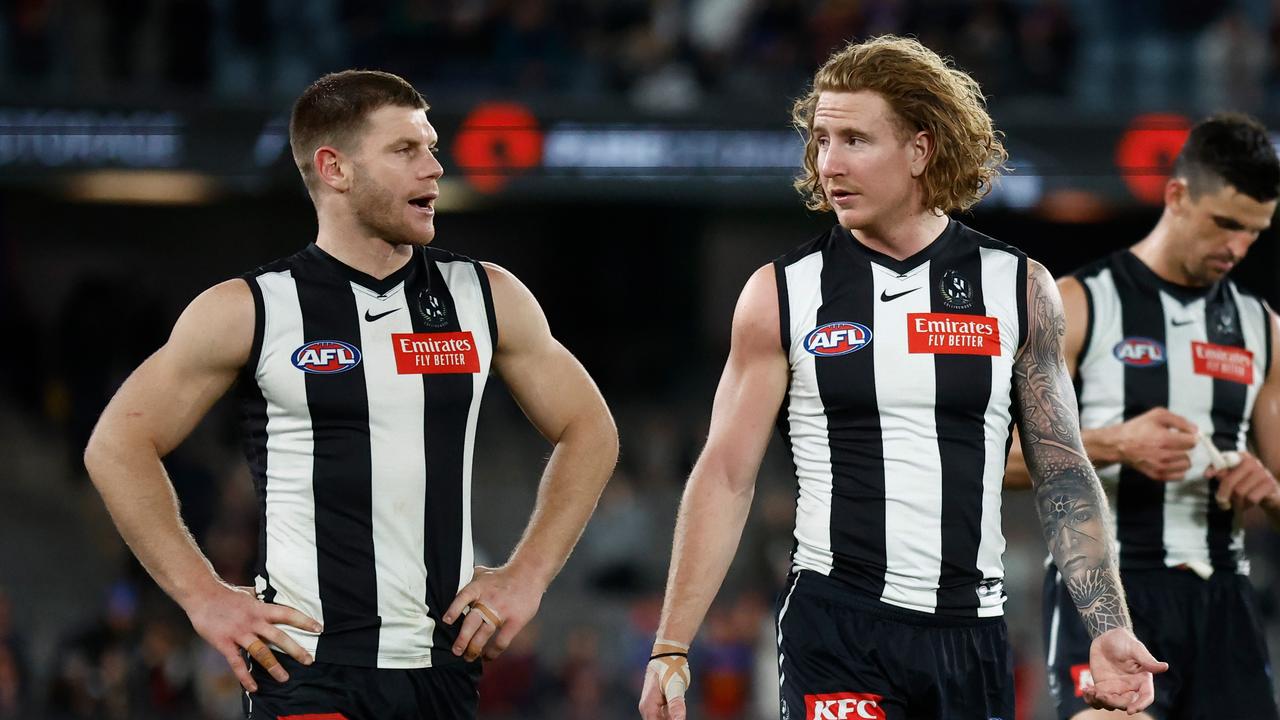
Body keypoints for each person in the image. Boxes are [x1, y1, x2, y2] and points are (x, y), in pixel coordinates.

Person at [638, 35, 1166, 720]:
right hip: (838, 624)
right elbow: (726, 474)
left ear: (920, 149)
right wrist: (671, 644)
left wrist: (1109, 623)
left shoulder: (1017, 287)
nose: (829, 163)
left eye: (855, 139)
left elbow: (1063, 471)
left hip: (971, 634)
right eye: (822, 139)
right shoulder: (781, 293)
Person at [83, 70, 619, 720]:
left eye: (432, 147)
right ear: (334, 168)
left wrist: (527, 573)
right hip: (308, 668)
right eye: (405, 151)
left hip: (443, 671)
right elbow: (117, 446)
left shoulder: (486, 295)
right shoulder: (250, 309)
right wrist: (204, 596)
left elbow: (590, 427)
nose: (434, 168)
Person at [1005, 113, 1280, 720]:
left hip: (1222, 599)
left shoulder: (1263, 329)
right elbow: (994, 462)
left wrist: (1269, 491)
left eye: (1255, 232)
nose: (1237, 247)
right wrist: (1114, 444)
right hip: (1108, 591)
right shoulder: (1080, 304)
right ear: (1177, 195)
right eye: (1226, 224)